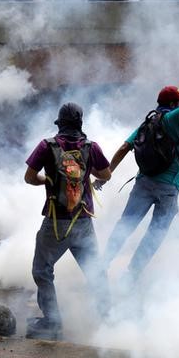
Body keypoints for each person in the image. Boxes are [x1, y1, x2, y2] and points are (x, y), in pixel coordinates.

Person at [95, 65, 179, 282]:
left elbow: (123, 148)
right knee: (155, 234)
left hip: (143, 183)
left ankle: (102, 265)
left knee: (125, 226)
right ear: (173, 105)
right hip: (168, 189)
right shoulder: (174, 118)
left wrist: (105, 176)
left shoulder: (148, 122)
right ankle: (131, 276)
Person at [24, 102, 112, 339]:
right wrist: (87, 176)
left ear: (60, 123)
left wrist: (47, 180)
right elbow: (106, 174)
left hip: (56, 222)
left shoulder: (46, 145)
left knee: (42, 270)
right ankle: (110, 318)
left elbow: (29, 177)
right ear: (80, 123)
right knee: (94, 270)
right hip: (83, 220)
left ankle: (52, 322)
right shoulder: (91, 147)